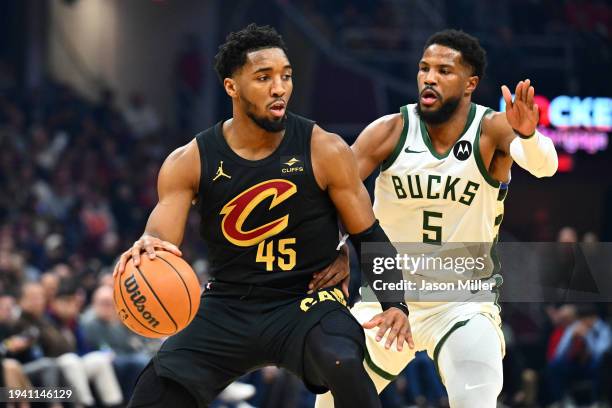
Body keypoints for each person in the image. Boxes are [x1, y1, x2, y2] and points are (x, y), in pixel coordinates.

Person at [113, 24, 411, 408]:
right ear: (231, 87)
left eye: (286, 76)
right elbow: (162, 239)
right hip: (228, 304)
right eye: (263, 77)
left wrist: (396, 303)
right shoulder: (189, 160)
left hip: (306, 302)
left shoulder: (324, 148)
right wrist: (149, 247)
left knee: (345, 360)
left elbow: (367, 234)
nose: (279, 88)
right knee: (153, 393)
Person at [316, 29, 558, 408]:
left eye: (444, 70)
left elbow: (546, 166)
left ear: (469, 84)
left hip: (463, 303)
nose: (429, 77)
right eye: (424, 68)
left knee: (475, 395)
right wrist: (336, 246)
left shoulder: (492, 129)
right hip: (387, 299)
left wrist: (528, 135)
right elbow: (335, 192)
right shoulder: (389, 131)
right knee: (331, 400)